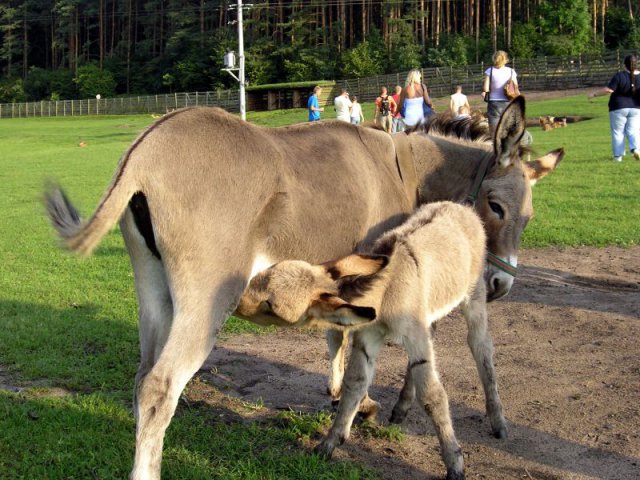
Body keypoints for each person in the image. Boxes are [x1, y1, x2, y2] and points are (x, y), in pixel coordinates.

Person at [590, 54, 640, 162]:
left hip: (618, 107)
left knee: (618, 132)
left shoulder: (619, 75)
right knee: (633, 131)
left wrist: (594, 94)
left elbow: (609, 90)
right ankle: (635, 149)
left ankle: (618, 157)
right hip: (636, 108)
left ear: (624, 65)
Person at [481, 50, 518, 130]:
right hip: (508, 101)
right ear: (506, 60)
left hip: (494, 102)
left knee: (495, 128)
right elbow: (515, 87)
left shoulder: (489, 71)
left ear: (494, 59)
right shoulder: (511, 71)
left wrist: (484, 92)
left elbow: (485, 88)